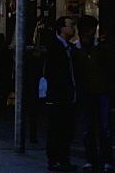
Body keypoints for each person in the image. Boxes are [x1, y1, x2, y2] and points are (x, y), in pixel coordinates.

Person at [75, 15, 114, 172]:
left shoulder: (101, 48)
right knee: (89, 129)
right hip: (88, 93)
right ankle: (93, 160)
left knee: (104, 128)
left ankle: (104, 160)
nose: (93, 31)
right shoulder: (77, 49)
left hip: (101, 91)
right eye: (91, 28)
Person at [43, 15, 80, 171]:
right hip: (58, 96)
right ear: (62, 28)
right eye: (70, 25)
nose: (73, 29)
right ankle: (55, 159)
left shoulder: (70, 48)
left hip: (69, 96)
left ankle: (63, 158)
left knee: (67, 129)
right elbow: (53, 72)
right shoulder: (55, 47)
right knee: (57, 128)